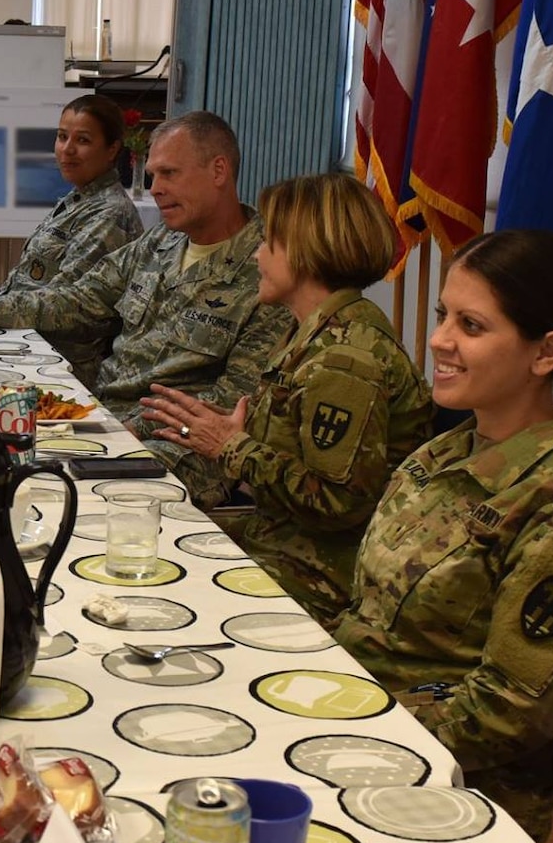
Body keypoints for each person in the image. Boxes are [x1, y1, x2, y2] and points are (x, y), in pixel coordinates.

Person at [333, 231, 553, 842]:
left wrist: (343, 730)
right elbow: (371, 615)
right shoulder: (450, 450)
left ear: (547, 353)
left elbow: (507, 714)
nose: (439, 340)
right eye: (442, 316)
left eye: (472, 326)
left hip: (453, 793)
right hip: (365, 722)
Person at [0, 112, 293, 507]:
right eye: (152, 176)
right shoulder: (161, 243)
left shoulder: (265, 269)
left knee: (47, 498)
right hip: (103, 414)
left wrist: (117, 431)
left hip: (178, 445)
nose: (156, 189)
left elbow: (231, 400)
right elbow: (81, 297)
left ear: (219, 170)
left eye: (169, 174)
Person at [140, 174, 432, 626]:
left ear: (305, 252)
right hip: (275, 537)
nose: (257, 254)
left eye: (269, 243)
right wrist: (226, 429)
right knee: (142, 538)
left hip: (314, 572)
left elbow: (337, 504)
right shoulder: (312, 330)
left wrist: (229, 445)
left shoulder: (345, 358)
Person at [0, 94, 145, 385]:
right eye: (62, 137)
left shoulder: (110, 214)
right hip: (28, 343)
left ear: (112, 150)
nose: (67, 150)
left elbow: (70, 305)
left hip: (60, 366)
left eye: (83, 141)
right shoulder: (79, 199)